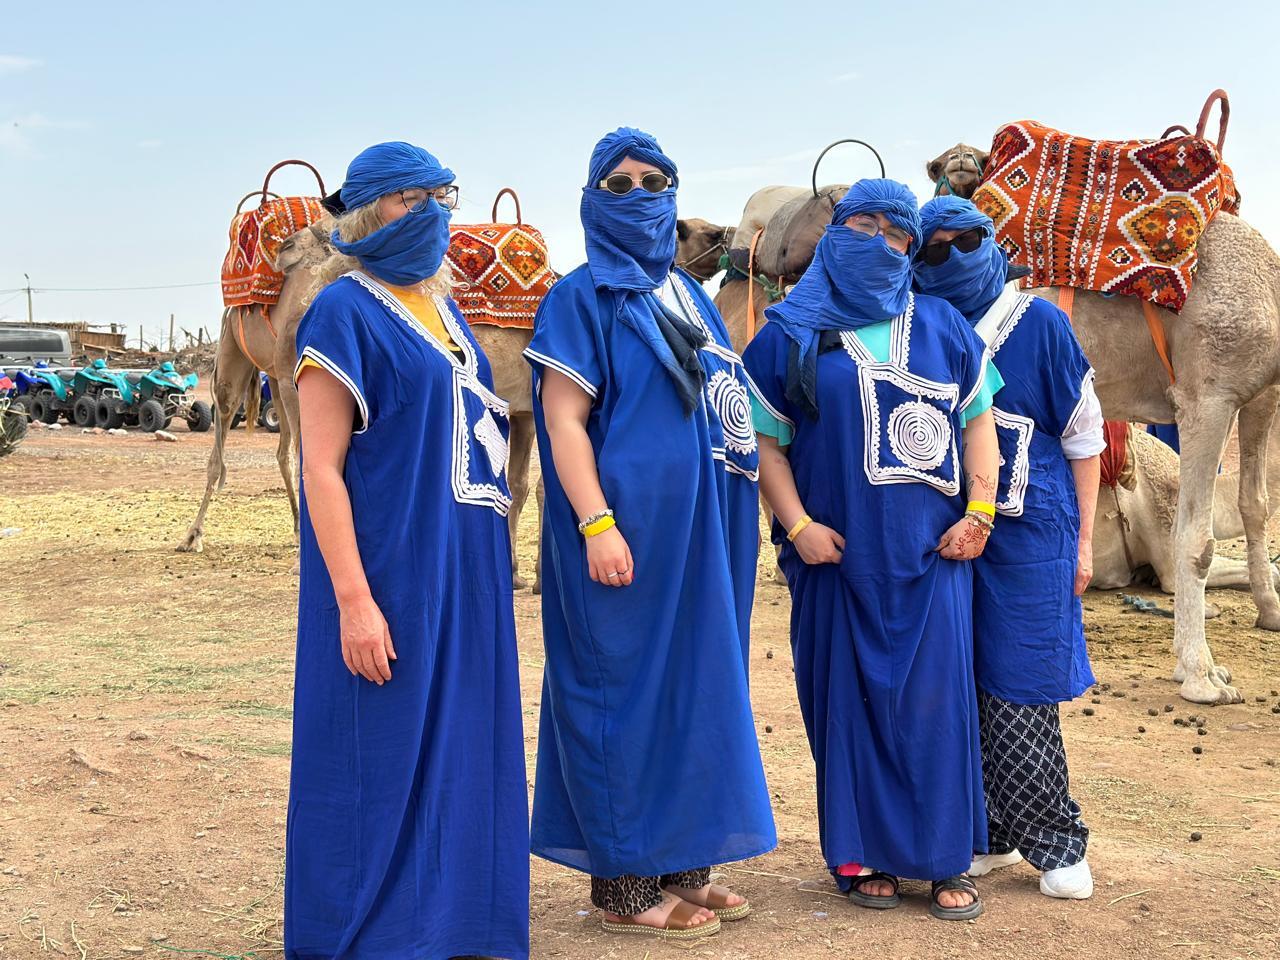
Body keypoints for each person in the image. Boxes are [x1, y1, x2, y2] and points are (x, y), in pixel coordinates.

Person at [525, 127, 776, 942]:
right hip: (623, 529)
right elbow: (564, 422)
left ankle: (682, 865)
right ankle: (623, 888)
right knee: (621, 691)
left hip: (705, 529)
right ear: (594, 199)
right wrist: (596, 522)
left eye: (654, 181)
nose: (639, 195)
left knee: (699, 686)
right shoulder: (579, 297)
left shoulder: (691, 296)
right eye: (620, 184)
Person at [286, 141, 529, 960]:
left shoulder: (447, 311)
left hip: (466, 568)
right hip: (390, 565)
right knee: (377, 753)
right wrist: (353, 600)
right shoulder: (343, 312)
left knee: (461, 745)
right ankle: (364, 938)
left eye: (440, 195)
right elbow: (321, 468)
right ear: (365, 214)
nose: (430, 213)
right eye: (406, 199)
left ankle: (453, 928)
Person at [742, 179, 1000, 921]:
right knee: (847, 707)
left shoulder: (946, 324)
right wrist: (797, 527)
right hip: (837, 558)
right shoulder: (791, 331)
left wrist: (979, 512)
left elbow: (976, 420)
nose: (881, 243)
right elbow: (767, 440)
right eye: (865, 225)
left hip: (934, 556)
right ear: (834, 230)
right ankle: (860, 856)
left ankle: (947, 858)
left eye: (898, 235)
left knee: (937, 706)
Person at [913, 195, 1103, 899]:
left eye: (968, 242)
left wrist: (1084, 540)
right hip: (945, 536)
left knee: (1019, 681)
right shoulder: (922, 330)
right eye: (934, 250)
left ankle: (1054, 842)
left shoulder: (1040, 325)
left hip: (1032, 533)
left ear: (993, 242)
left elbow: (1084, 435)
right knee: (954, 682)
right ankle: (986, 831)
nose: (953, 258)